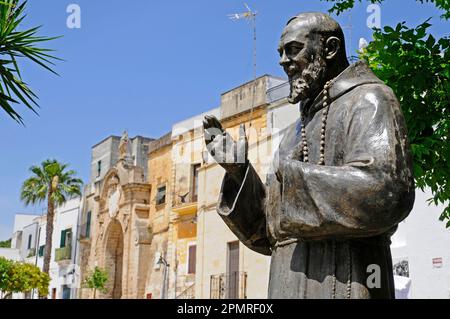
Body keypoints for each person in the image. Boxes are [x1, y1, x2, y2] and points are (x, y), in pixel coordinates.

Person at [203, 12, 415, 299]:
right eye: (280, 53)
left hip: (347, 280)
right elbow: (268, 234)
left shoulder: (370, 99)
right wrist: (240, 172)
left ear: (329, 49)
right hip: (287, 280)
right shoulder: (294, 130)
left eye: (293, 49)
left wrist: (290, 180)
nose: (282, 61)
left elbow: (388, 191)